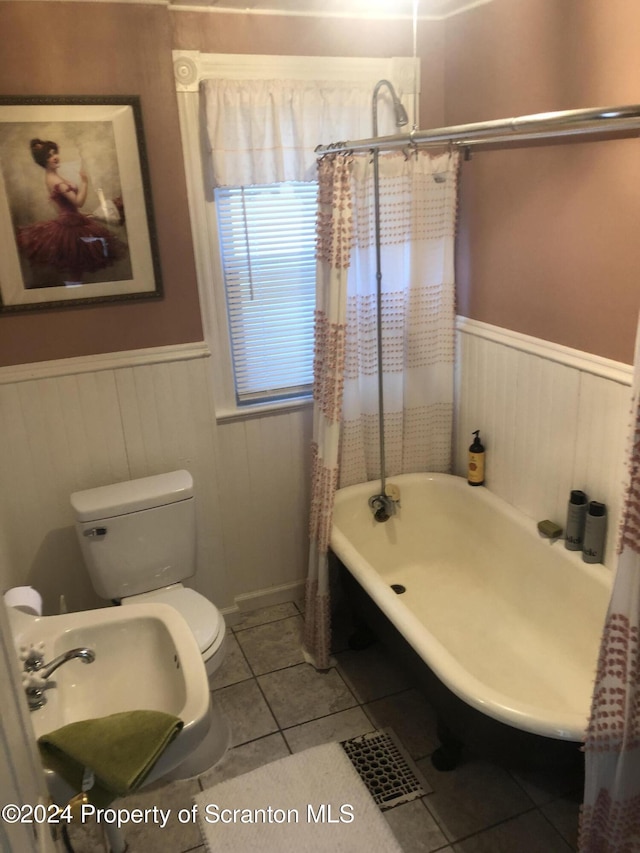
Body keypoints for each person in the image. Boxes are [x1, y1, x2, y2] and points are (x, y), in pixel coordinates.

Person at [17, 138, 126, 285]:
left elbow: (62, 205)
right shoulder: (56, 181)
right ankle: (75, 291)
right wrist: (85, 183)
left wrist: (76, 214)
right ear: (44, 161)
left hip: (72, 219)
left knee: (76, 266)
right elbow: (78, 202)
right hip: (70, 226)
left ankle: (75, 290)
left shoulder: (53, 176)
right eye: (49, 156)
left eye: (54, 153)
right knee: (75, 265)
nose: (55, 157)